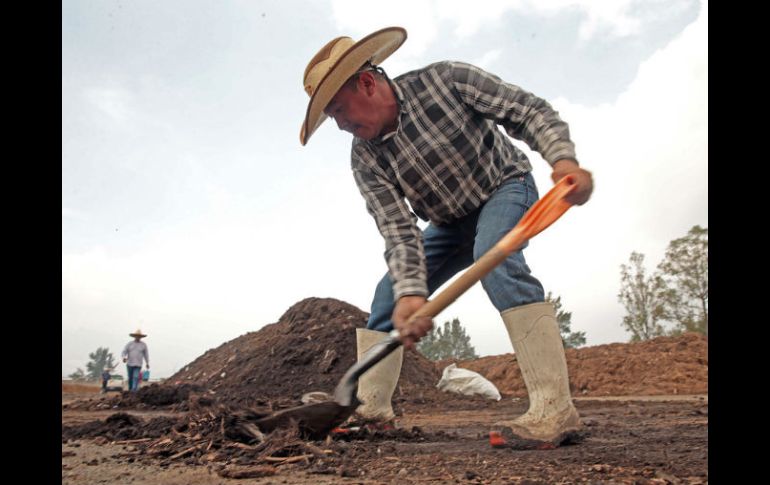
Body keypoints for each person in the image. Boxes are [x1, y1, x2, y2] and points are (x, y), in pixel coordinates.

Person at [299, 26, 594, 447]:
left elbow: (527, 110)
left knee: (496, 259)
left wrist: (562, 158)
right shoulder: (365, 157)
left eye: (341, 111)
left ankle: (555, 409)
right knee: (388, 296)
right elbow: (398, 230)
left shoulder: (446, 81)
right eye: (334, 119)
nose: (342, 126)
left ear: (366, 82)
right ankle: (371, 409)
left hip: (503, 187)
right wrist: (410, 294)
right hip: (445, 223)